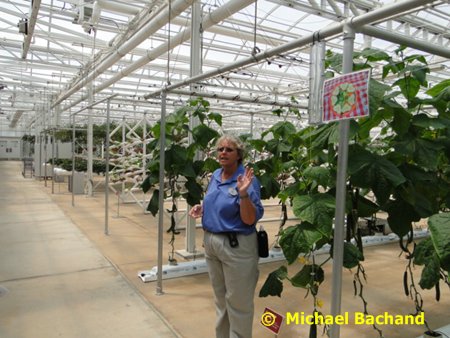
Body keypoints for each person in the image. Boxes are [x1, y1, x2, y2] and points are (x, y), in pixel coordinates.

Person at [189, 134, 264, 338]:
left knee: (238, 302)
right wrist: (202, 207)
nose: (223, 153)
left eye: (229, 150)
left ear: (239, 155)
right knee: (221, 300)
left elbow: (249, 220)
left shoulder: (247, 181)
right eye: (220, 149)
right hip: (212, 243)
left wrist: (243, 194)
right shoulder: (215, 175)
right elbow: (216, 201)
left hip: (236, 246)